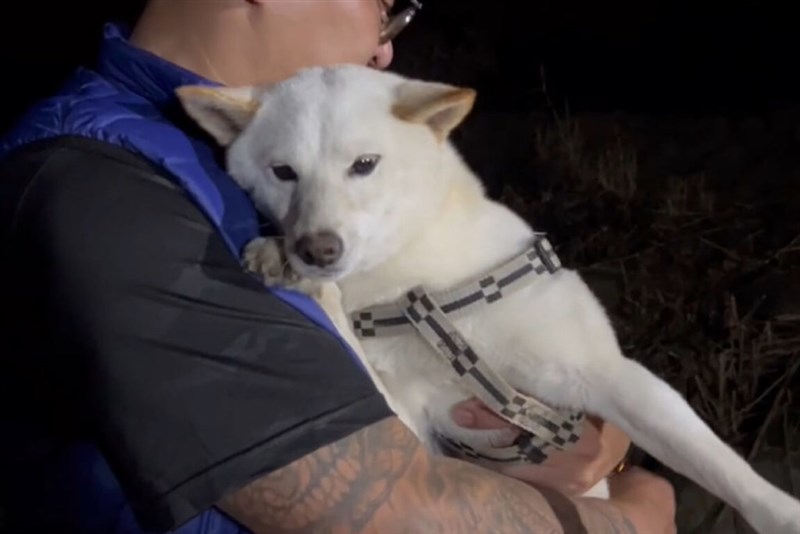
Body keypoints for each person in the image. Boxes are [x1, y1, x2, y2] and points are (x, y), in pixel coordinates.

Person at [0, 1, 676, 533]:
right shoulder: (103, 187)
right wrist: (635, 519)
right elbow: (393, 514)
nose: (386, 47)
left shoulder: (241, 165)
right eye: (382, 8)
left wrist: (569, 437)